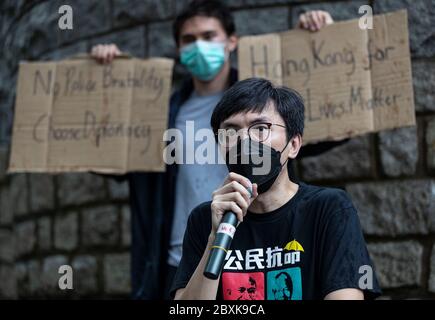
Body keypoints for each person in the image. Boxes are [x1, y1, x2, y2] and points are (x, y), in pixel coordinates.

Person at [90, 0, 345, 299]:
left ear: (231, 41)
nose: (199, 46)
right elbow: (109, 154)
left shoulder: (264, 104)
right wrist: (106, 79)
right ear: (178, 49)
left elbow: (328, 129)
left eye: (209, 36)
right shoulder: (157, 115)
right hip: (181, 256)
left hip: (256, 252)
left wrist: (322, 39)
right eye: (189, 39)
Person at [172, 78, 381, 300]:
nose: (245, 141)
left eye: (261, 128)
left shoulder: (329, 209)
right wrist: (214, 239)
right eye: (231, 133)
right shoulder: (206, 220)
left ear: (293, 145)